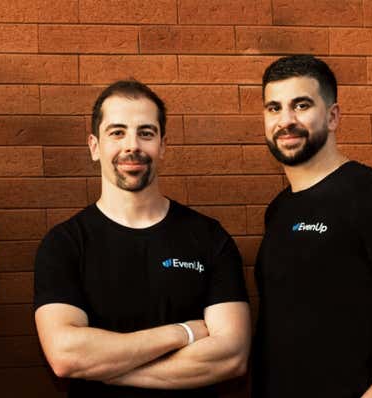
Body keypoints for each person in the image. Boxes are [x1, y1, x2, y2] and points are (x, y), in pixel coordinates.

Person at [34, 80, 251, 398]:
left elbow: (231, 356)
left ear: (163, 145)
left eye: (146, 133)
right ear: (95, 146)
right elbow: (67, 355)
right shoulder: (64, 244)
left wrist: (110, 370)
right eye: (117, 132)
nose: (132, 146)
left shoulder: (208, 238)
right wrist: (183, 332)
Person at [252, 55, 372, 398]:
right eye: (274, 108)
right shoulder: (279, 209)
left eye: (301, 105)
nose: (285, 120)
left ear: (332, 116)